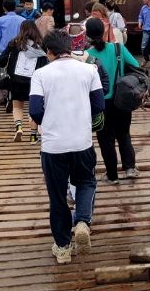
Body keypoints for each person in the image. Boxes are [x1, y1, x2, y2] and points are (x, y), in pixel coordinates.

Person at [29, 30, 105, 264]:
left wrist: (50, 123)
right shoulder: (89, 70)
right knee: (86, 181)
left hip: (53, 147)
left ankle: (62, 248)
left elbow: (34, 111)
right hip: (81, 142)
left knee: (57, 196)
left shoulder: (40, 74)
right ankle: (82, 221)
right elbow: (99, 104)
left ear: (48, 52)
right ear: (70, 48)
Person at [86, 18, 140, 184]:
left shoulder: (87, 55)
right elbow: (136, 64)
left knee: (105, 139)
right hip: (121, 100)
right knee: (124, 134)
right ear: (104, 31)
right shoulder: (118, 48)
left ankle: (112, 175)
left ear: (87, 35)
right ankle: (130, 168)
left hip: (100, 103)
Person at [0, 20, 48, 142]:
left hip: (16, 80)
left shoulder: (14, 43)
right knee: (34, 108)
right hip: (35, 81)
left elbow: (3, 59)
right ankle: (33, 135)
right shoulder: (41, 45)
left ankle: (19, 128)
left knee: (17, 106)